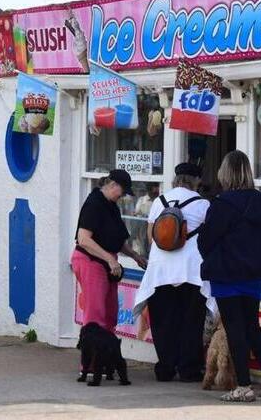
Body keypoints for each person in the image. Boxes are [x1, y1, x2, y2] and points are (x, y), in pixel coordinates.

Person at [198, 150, 261, 402]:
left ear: (226, 172)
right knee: (252, 327)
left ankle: (243, 386)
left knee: (235, 328)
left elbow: (206, 241)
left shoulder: (222, 205)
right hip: (254, 273)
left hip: (227, 273)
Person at [133, 163, 214, 382]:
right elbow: (210, 238)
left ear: (176, 179)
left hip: (161, 271)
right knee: (191, 321)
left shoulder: (160, 201)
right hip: (191, 271)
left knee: (163, 321)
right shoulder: (203, 204)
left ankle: (165, 368)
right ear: (196, 181)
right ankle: (188, 370)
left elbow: (151, 237)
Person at [71, 169, 147, 334]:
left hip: (107, 263)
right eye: (122, 191)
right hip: (90, 261)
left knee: (110, 314)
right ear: (113, 185)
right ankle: (91, 359)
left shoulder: (112, 206)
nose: (123, 196)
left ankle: (107, 354)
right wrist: (109, 259)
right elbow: (83, 239)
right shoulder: (94, 203)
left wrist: (135, 256)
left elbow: (117, 240)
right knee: (95, 316)